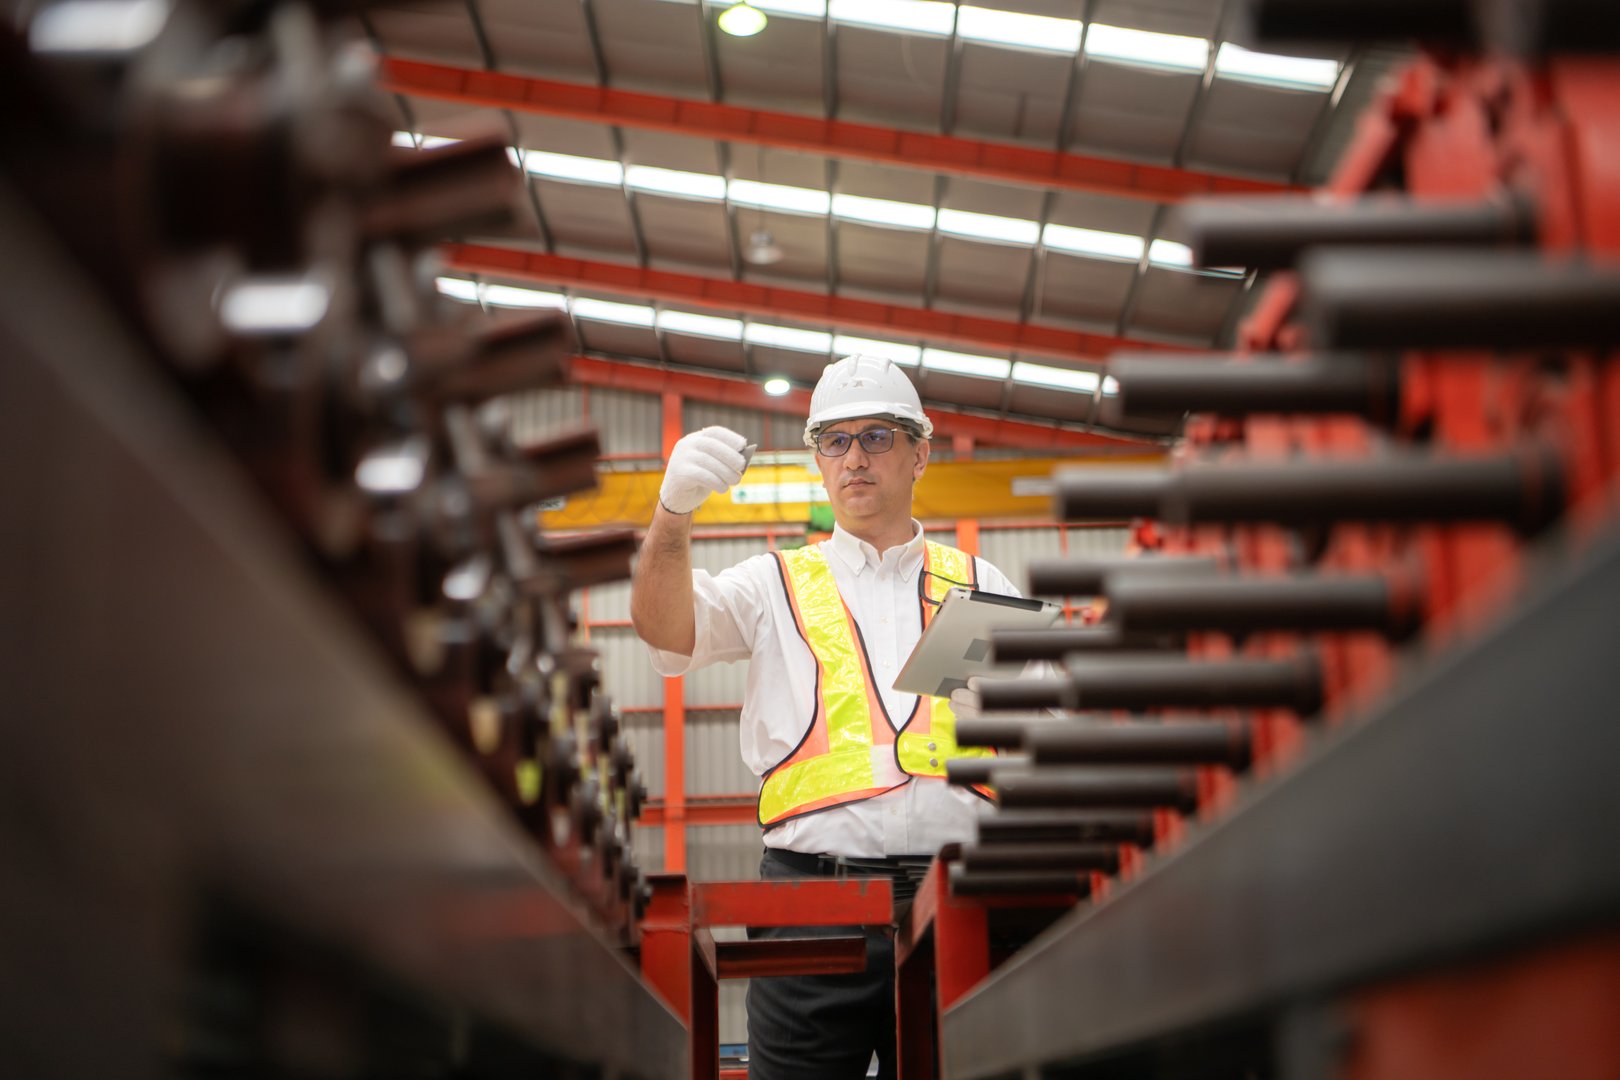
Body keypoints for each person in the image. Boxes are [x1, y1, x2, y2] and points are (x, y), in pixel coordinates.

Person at [630, 353, 1028, 1079]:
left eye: (877, 437)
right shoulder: (772, 583)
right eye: (834, 440)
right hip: (810, 900)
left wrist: (1014, 715)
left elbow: (1050, 728)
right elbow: (664, 632)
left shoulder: (980, 584)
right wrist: (672, 512)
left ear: (920, 454)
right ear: (818, 459)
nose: (854, 458)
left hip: (963, 896)